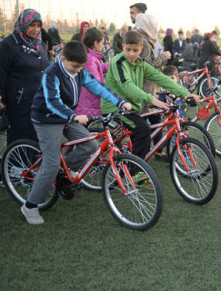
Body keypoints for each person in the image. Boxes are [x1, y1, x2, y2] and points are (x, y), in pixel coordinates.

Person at [24, 41, 132, 224]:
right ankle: (30, 206)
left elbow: (98, 86)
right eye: (74, 66)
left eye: (81, 67)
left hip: (67, 116)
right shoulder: (52, 73)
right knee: (51, 163)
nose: (77, 70)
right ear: (63, 58)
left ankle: (67, 171)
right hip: (47, 119)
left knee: (90, 144)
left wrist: (119, 102)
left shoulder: (80, 71)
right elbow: (52, 101)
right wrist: (74, 116)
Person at [101, 31, 198, 161]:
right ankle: (135, 171)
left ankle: (133, 164)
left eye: (135, 50)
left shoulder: (141, 63)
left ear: (141, 49)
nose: (131, 54)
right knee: (144, 130)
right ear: (123, 46)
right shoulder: (118, 62)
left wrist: (185, 94)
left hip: (130, 107)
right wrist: (151, 99)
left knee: (141, 136)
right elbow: (127, 86)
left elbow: (161, 78)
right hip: (115, 107)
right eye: (128, 49)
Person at [0, 8, 50, 144]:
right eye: (32, 25)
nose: (36, 29)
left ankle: (35, 165)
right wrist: (1, 99)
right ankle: (16, 165)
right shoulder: (9, 44)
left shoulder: (41, 45)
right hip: (19, 103)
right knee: (20, 136)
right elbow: (1, 73)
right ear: (24, 23)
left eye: (39, 26)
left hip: (40, 102)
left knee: (37, 136)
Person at [134, 14, 173, 161]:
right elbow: (148, 65)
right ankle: (141, 158)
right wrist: (163, 57)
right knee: (147, 123)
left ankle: (157, 151)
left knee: (155, 119)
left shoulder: (144, 38)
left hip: (150, 87)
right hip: (146, 88)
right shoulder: (142, 40)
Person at [75, 28, 110, 116]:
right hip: (89, 104)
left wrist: (111, 65)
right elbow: (95, 82)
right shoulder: (90, 59)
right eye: (102, 43)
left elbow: (98, 69)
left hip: (89, 102)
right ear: (95, 43)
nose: (103, 46)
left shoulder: (91, 57)